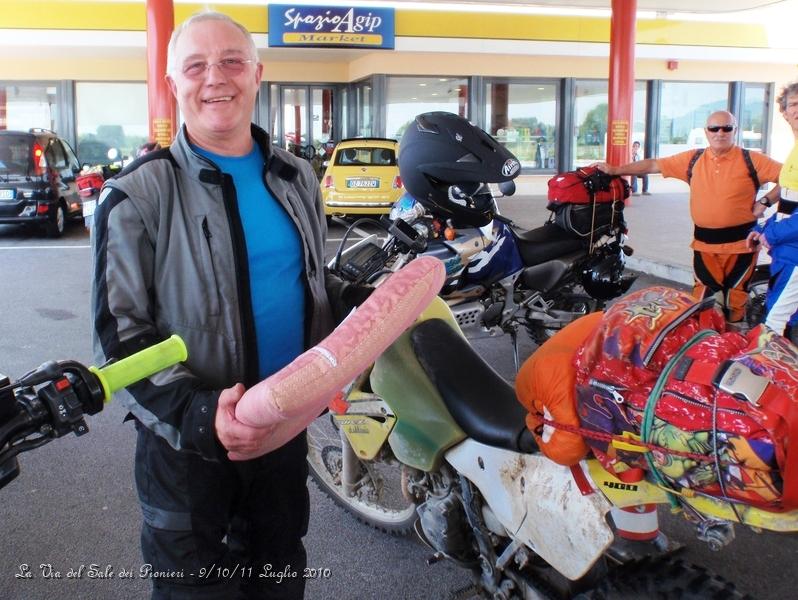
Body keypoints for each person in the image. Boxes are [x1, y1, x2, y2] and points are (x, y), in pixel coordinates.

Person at [91, 11, 368, 599]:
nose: (215, 77)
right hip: (187, 448)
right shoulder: (138, 195)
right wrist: (197, 414)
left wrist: (365, 308)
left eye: (232, 61)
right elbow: (121, 339)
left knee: (278, 571)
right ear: (174, 84)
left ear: (258, 74)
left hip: (283, 430)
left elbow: (309, 282)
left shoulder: (296, 177)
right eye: (196, 65)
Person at [596, 111, 782, 323]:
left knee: (735, 299)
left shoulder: (752, 160)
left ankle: (733, 346)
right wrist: (616, 170)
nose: (720, 133)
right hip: (704, 246)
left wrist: (766, 200)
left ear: (735, 131)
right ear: (706, 132)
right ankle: (706, 348)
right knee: (704, 299)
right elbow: (653, 165)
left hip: (741, 245)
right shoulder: (693, 159)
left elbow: (790, 176)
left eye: (726, 128)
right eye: (714, 128)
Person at [747, 81, 798, 337]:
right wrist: (763, 226)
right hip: (787, 249)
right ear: (785, 112)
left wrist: (771, 234)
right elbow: (790, 203)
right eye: (794, 104)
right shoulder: (795, 148)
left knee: (776, 324)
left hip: (795, 253)